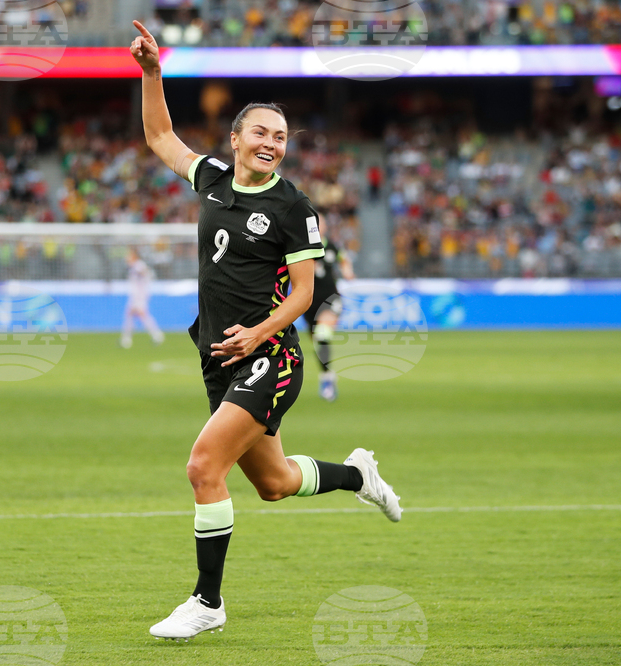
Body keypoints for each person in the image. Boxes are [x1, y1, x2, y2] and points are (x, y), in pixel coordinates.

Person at [129, 20, 402, 641]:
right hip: (216, 354)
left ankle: (207, 602)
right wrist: (152, 74)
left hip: (271, 356)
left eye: (280, 137)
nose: (272, 144)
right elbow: (159, 135)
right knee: (275, 484)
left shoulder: (293, 208)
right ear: (235, 138)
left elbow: (305, 294)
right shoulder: (213, 182)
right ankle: (360, 475)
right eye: (261, 133)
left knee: (203, 467)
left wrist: (257, 334)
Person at [303, 218, 355, 401]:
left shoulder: (332, 247)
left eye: (321, 224)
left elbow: (343, 258)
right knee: (318, 342)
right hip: (308, 303)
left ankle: (326, 379)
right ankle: (328, 373)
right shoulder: (301, 247)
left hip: (331, 300)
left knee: (323, 334)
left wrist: (347, 271)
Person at [120, 247, 165, 348]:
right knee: (132, 315)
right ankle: (127, 339)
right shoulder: (133, 267)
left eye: (129, 255)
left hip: (140, 296)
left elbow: (147, 275)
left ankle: (156, 335)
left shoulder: (138, 266)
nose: (126, 258)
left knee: (140, 315)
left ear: (134, 256)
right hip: (136, 295)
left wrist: (143, 289)